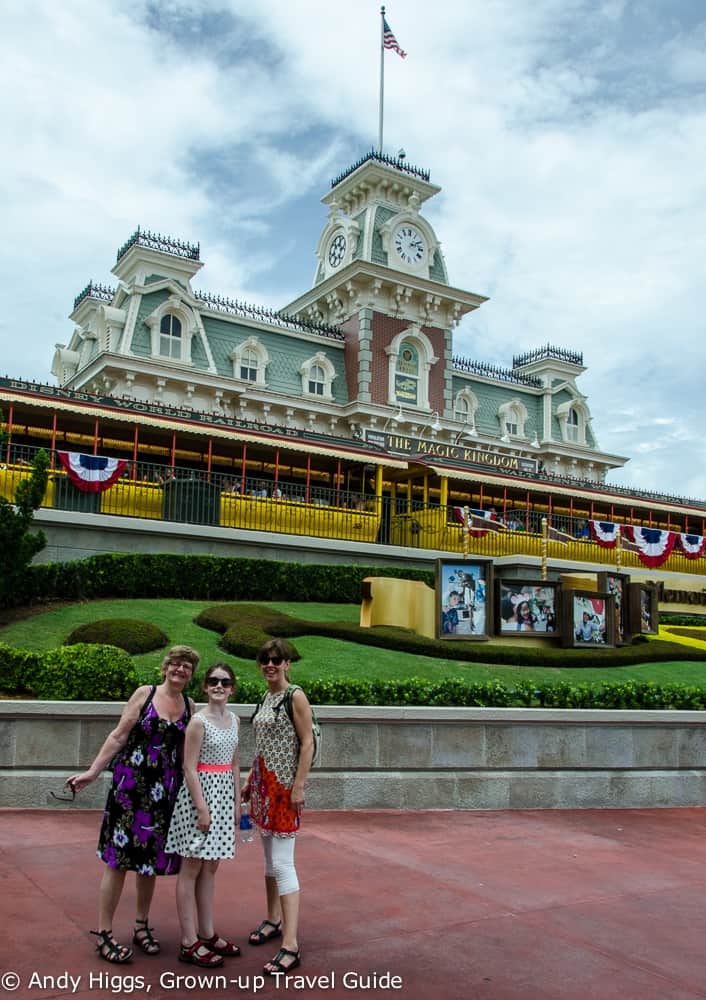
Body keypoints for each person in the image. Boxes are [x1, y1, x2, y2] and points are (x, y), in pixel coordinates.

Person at [66, 645, 200, 964]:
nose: (180, 670)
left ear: (191, 675)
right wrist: (93, 772)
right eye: (176, 664)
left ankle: (141, 925)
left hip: (164, 792)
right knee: (119, 860)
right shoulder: (145, 693)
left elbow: (187, 757)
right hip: (130, 787)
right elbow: (118, 737)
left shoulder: (191, 706)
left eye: (187, 667)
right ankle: (104, 933)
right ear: (165, 667)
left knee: (149, 862)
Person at [241, 639, 314, 976]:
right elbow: (264, 743)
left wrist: (299, 784)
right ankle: (273, 918)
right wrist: (250, 779)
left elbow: (307, 741)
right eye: (265, 660)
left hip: (284, 789)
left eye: (276, 660)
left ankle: (291, 944)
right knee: (269, 861)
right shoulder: (267, 696)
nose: (270, 665)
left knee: (284, 863)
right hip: (263, 786)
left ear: (287, 664)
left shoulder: (294, 695)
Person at [166, 663, 241, 969]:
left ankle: (206, 933)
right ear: (205, 687)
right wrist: (201, 807)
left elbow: (235, 763)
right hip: (201, 798)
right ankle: (187, 942)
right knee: (192, 866)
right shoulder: (198, 722)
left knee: (211, 867)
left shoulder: (235, 720)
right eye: (213, 681)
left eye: (225, 681)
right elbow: (188, 767)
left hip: (224, 797)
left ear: (232, 687)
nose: (219, 686)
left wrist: (237, 802)